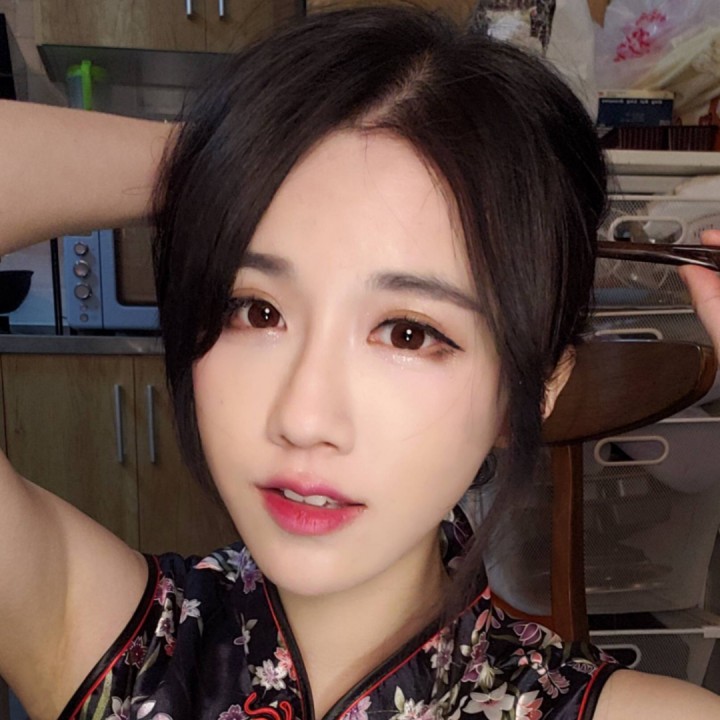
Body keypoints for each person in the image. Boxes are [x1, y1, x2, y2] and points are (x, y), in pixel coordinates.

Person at [0, 5, 718, 720]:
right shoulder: (115, 647)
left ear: (531, 390)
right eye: (256, 310)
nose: (304, 417)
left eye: (407, 333)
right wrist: (229, 160)